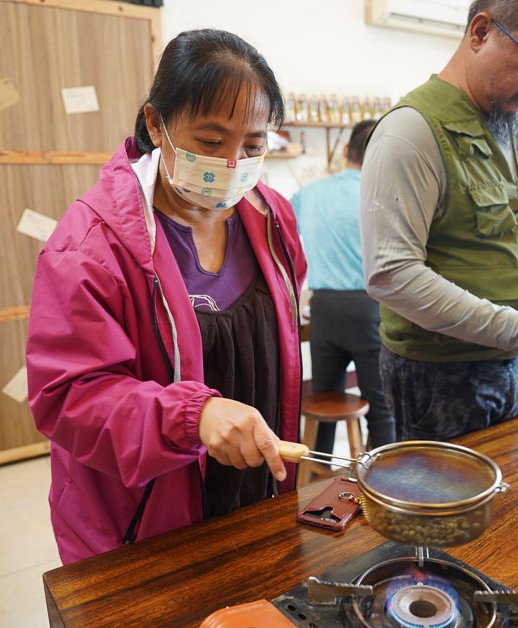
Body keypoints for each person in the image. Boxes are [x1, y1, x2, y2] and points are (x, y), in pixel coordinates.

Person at [25, 29, 307, 564]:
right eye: (209, 141)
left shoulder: (272, 219)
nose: (231, 163)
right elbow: (68, 397)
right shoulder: (91, 243)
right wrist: (191, 417)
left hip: (255, 501)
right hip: (143, 525)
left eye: (252, 145)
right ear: (157, 124)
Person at [360, 0, 518, 442]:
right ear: (480, 33)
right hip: (439, 376)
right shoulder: (412, 133)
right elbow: (391, 275)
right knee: (443, 509)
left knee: (509, 503)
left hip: (513, 361)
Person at [290, 120, 395, 452]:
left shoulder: (310, 193)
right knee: (380, 406)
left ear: (347, 151)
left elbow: (281, 232)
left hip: (323, 310)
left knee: (324, 398)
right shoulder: (385, 195)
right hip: (370, 309)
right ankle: (380, 479)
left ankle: (319, 478)